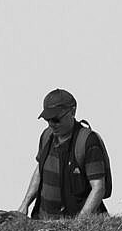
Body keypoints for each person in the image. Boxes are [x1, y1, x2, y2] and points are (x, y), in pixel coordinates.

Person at [17, 88, 110, 219]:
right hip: (43, 221)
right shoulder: (46, 136)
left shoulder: (88, 142)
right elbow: (40, 169)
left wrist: (79, 223)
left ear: (72, 111)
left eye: (56, 119)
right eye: (48, 119)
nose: (51, 124)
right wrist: (25, 204)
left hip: (75, 224)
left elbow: (98, 188)